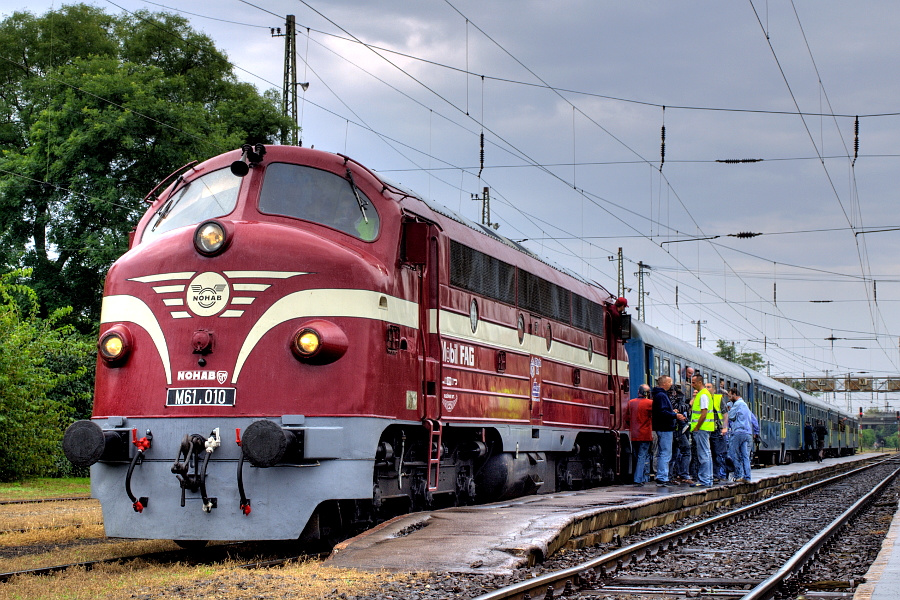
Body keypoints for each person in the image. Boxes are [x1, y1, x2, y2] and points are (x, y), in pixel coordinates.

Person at [651, 375, 683, 487]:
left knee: (661, 453)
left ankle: (661, 476)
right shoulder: (661, 395)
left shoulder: (658, 395)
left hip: (660, 427)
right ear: (664, 383)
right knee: (665, 453)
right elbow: (662, 412)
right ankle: (662, 477)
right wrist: (675, 415)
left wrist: (671, 411)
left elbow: (662, 410)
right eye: (670, 382)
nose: (671, 384)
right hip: (665, 428)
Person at [689, 373, 715, 487]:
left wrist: (696, 427)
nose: (692, 384)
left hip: (702, 429)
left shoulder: (703, 395)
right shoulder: (704, 394)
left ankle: (704, 480)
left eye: (693, 382)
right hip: (705, 428)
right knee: (707, 454)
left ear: (700, 382)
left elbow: (703, 414)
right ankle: (708, 479)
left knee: (703, 454)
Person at [625, 384, 654, 486]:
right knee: (642, 456)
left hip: (634, 434)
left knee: (637, 456)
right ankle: (638, 479)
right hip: (645, 434)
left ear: (638, 392)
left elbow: (627, 418)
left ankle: (641, 477)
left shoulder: (631, 403)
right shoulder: (650, 403)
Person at [669, 384, 694, 485]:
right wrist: (690, 404)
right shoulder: (673, 398)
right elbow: (679, 407)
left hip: (676, 428)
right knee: (686, 450)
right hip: (678, 429)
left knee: (674, 453)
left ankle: (671, 476)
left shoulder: (667, 397)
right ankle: (683, 475)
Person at [726, 388, 754, 482]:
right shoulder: (745, 404)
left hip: (738, 432)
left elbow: (731, 417)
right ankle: (747, 477)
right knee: (745, 456)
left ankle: (738, 475)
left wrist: (729, 409)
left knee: (733, 454)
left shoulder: (737, 404)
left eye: (730, 396)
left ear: (734, 394)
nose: (729, 398)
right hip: (747, 433)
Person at [705, 383, 728, 482]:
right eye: (705, 387)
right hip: (705, 430)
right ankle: (708, 474)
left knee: (716, 453)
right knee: (706, 453)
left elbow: (725, 413)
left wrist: (724, 427)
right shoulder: (702, 398)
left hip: (716, 430)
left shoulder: (718, 399)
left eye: (709, 387)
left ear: (714, 389)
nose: (706, 389)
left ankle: (716, 474)